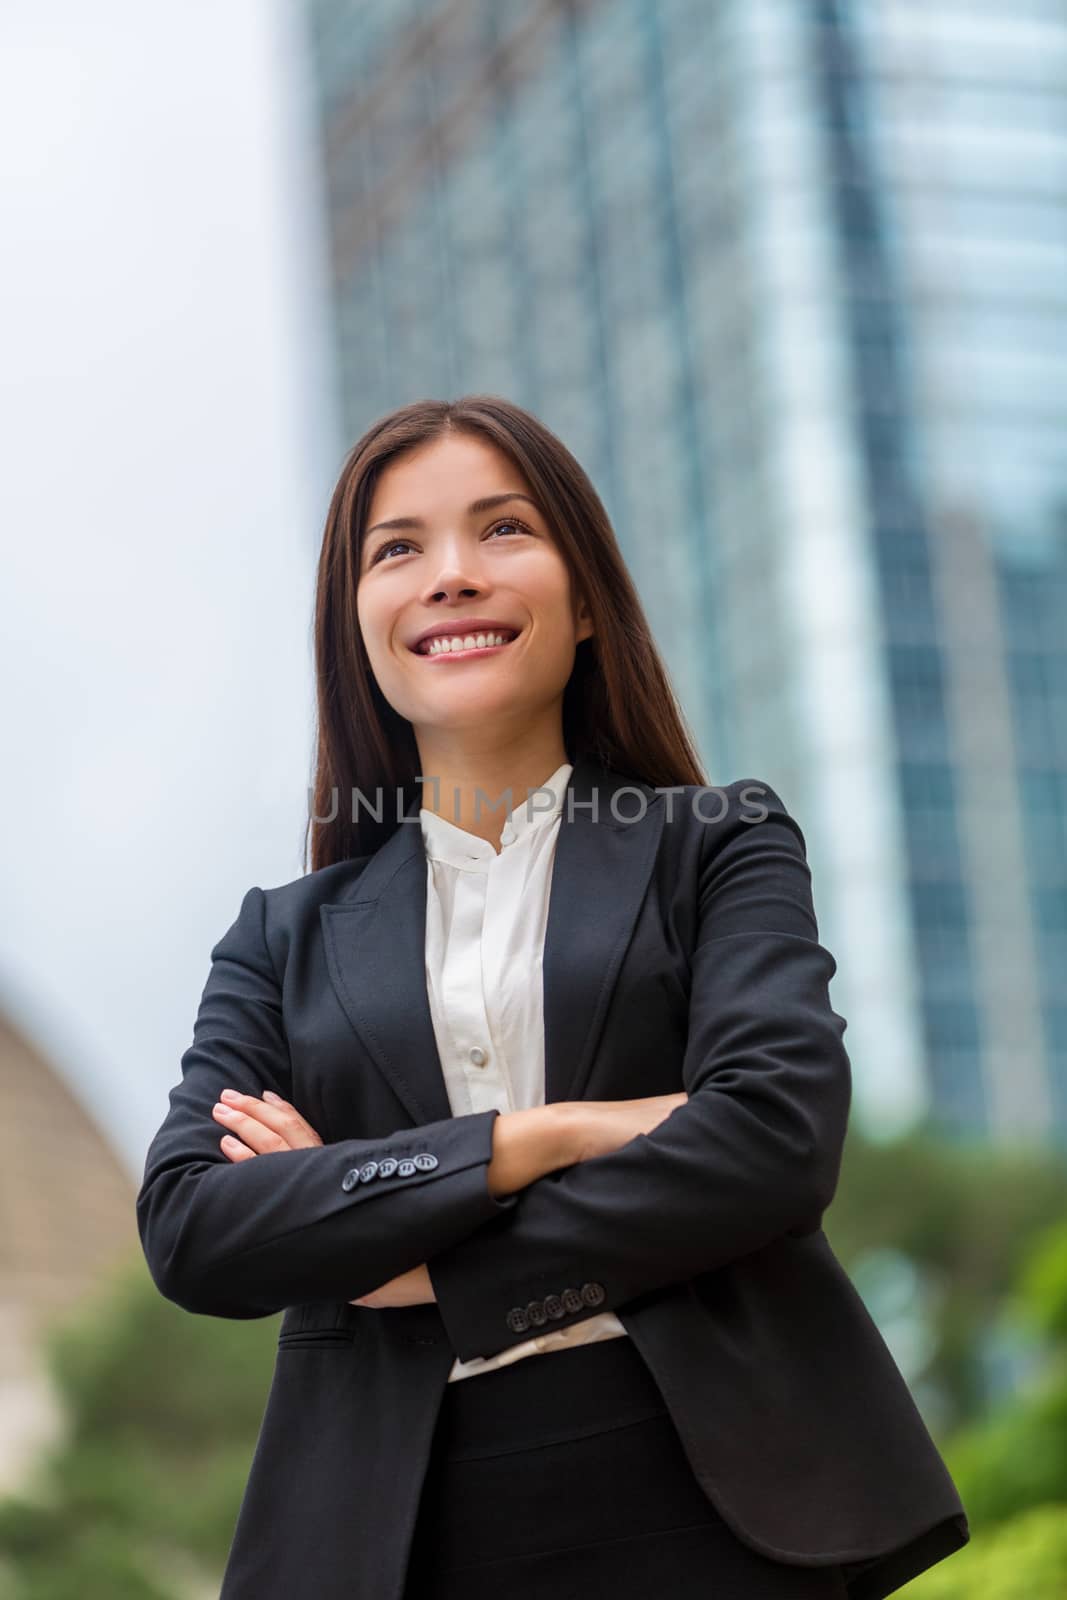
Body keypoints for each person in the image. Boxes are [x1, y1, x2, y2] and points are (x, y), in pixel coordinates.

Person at [136, 396, 970, 1600]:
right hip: (388, 1535)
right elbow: (198, 1228)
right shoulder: (284, 939)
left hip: (718, 1506)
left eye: (504, 528)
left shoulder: (714, 843)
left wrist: (419, 1257)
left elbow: (771, 1141)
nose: (452, 576)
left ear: (584, 603)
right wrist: (546, 1135)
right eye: (398, 548)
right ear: (356, 625)